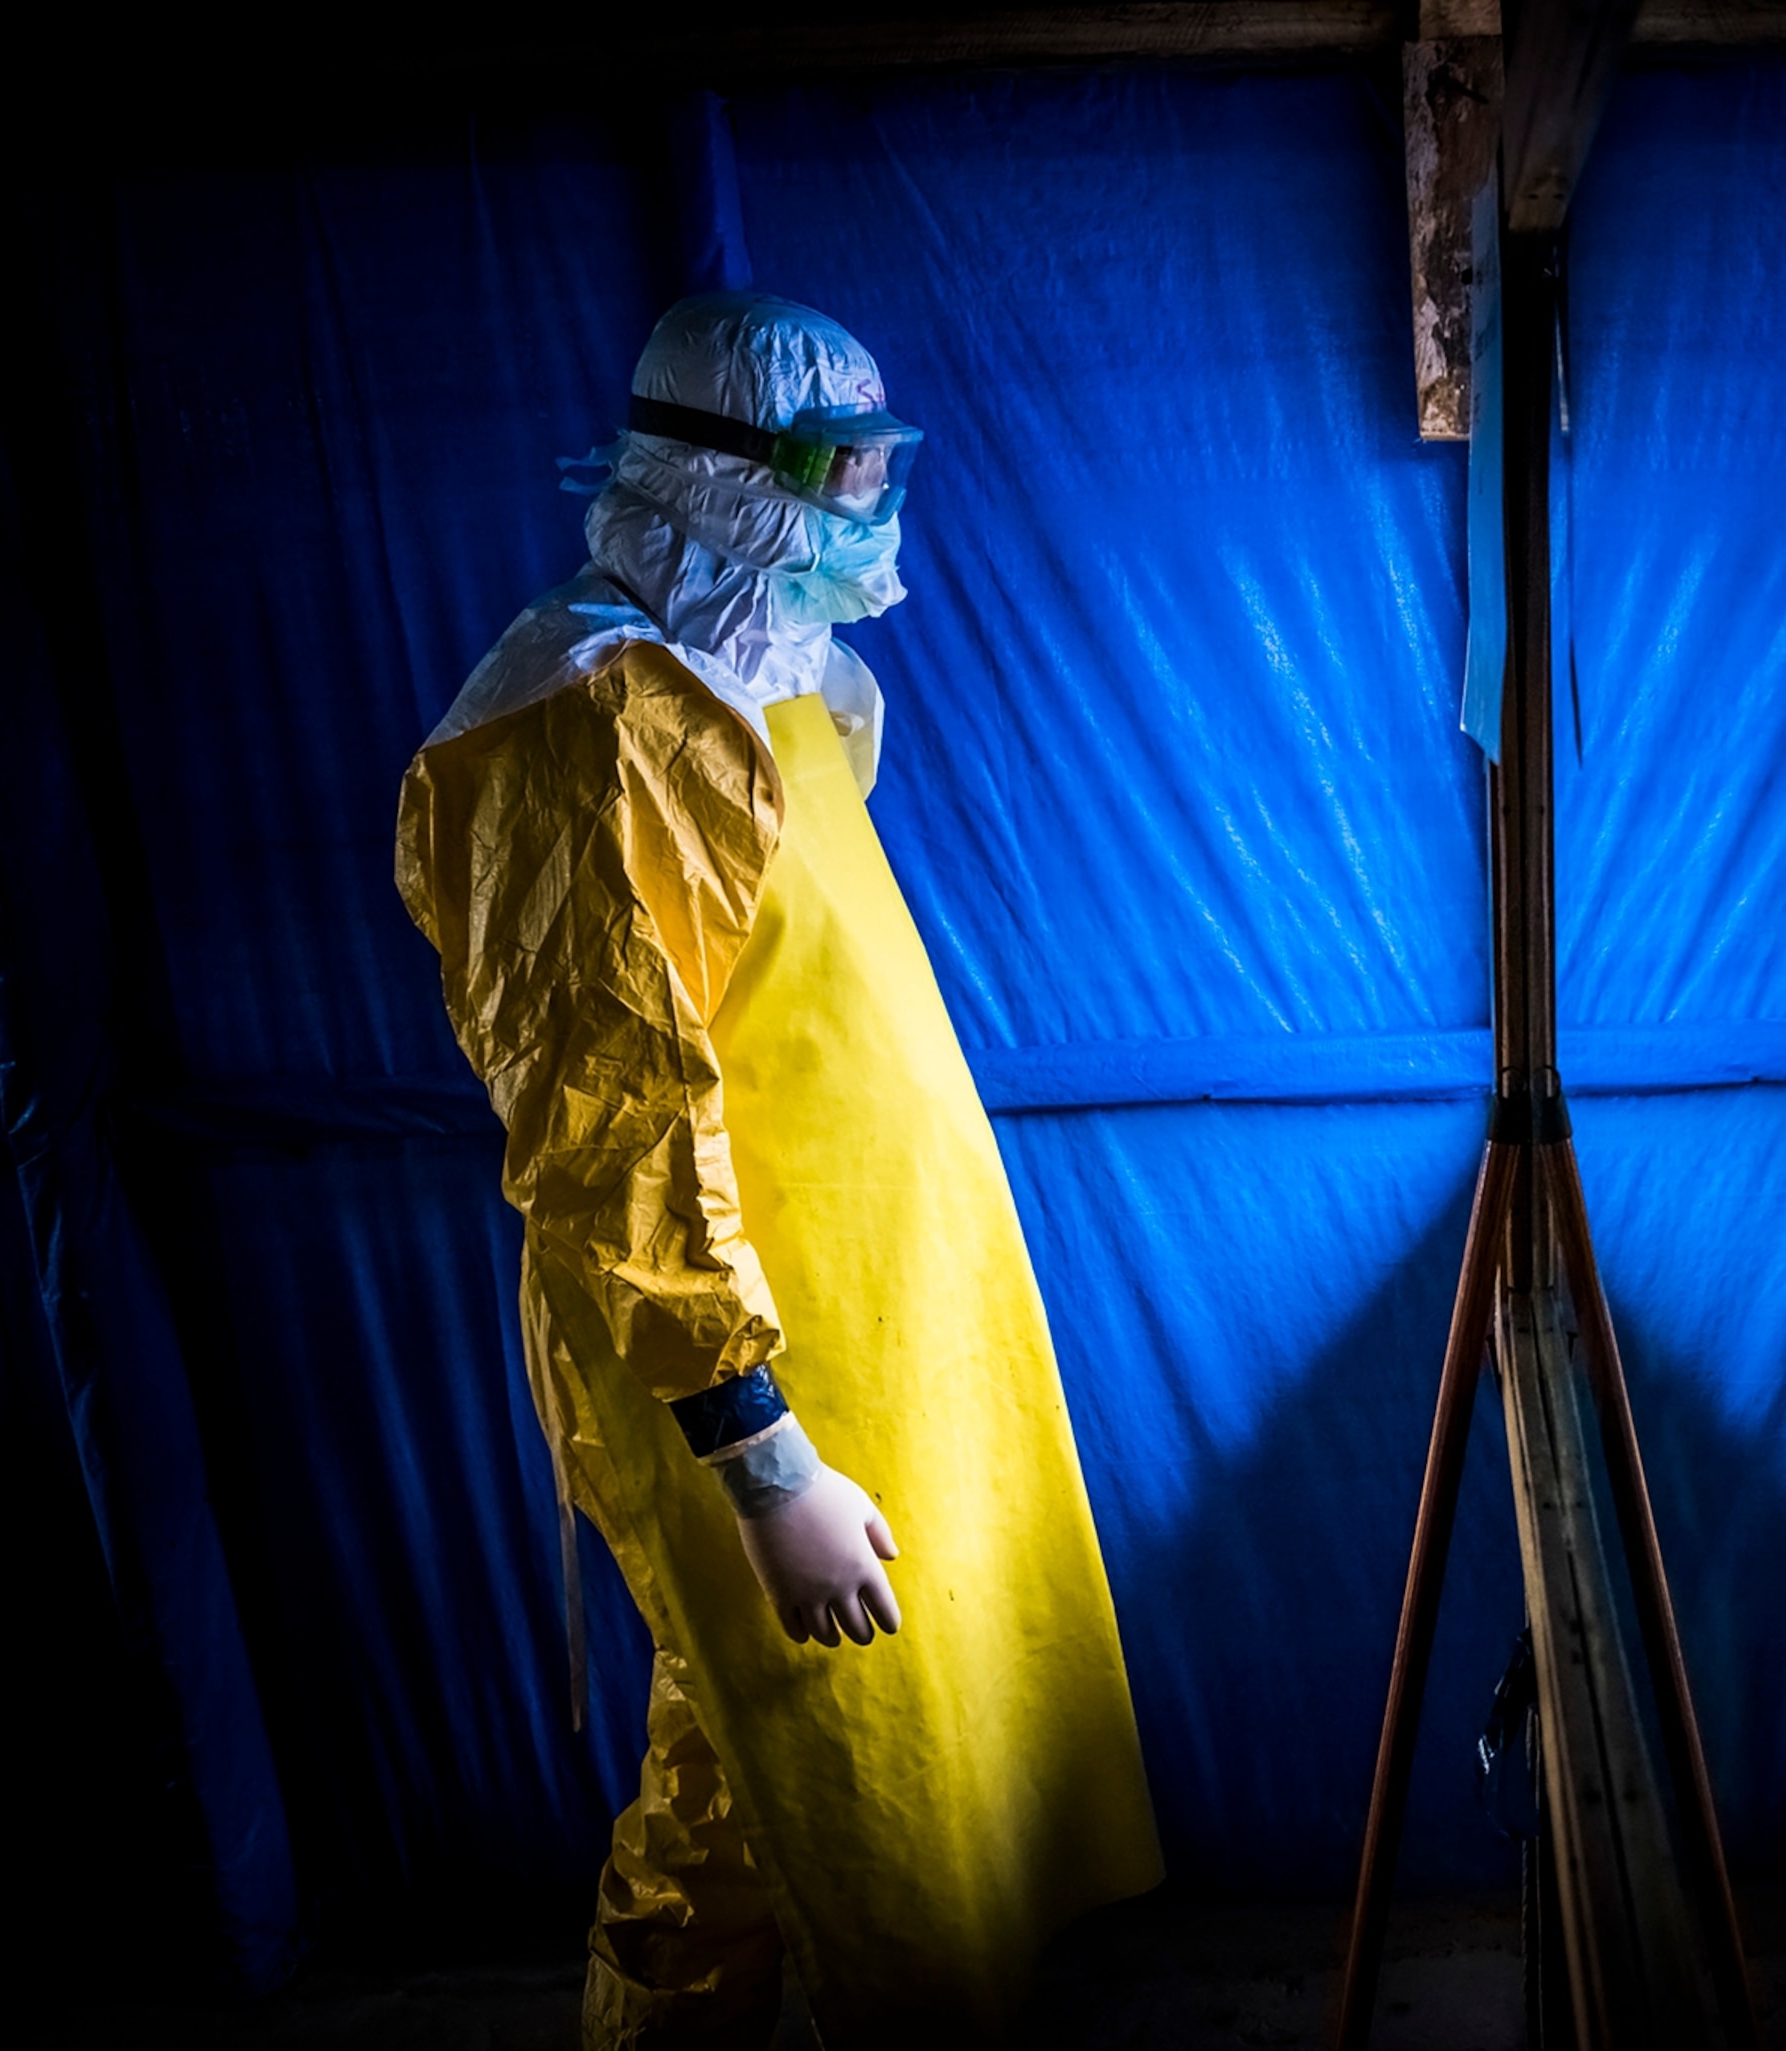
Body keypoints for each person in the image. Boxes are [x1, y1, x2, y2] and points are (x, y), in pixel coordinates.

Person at [397, 293, 1160, 2049]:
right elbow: (611, 1124)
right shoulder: (582, 725)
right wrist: (756, 1450)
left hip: (861, 1333)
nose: (879, 505)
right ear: (721, 480)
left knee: (823, 1788)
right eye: (845, 470)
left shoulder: (773, 688)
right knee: (738, 1789)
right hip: (734, 1370)